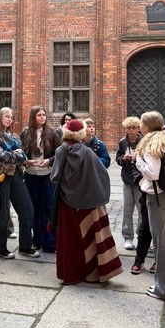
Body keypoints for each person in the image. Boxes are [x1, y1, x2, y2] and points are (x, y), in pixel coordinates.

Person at [50, 119, 123, 285]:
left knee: (70, 239)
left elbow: (55, 177)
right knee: (91, 237)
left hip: (67, 201)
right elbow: (101, 174)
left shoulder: (61, 150)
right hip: (89, 201)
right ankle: (92, 275)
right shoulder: (87, 151)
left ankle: (71, 274)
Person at [135, 111, 165, 302]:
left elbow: (153, 173)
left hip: (159, 198)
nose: (139, 126)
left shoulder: (151, 144)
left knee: (162, 245)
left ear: (146, 126)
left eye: (141, 123)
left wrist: (138, 161)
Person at [0, 107, 38, 260]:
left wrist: (18, 157)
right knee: (2, 213)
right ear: (0, 118)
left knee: (27, 209)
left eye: (11, 117)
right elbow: (0, 155)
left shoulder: (13, 137)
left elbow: (22, 156)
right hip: (0, 176)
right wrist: (16, 156)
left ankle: (25, 246)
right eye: (6, 116)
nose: (9, 119)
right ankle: (1, 249)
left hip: (14, 175)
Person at [20, 106, 61, 253]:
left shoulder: (53, 133)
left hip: (48, 175)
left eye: (44, 115)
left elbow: (60, 153)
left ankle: (50, 242)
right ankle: (36, 240)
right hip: (31, 175)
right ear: (33, 117)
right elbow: (20, 153)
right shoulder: (25, 133)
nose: (42, 117)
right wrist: (27, 161)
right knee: (34, 208)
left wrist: (49, 161)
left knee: (49, 208)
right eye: (39, 115)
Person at [115, 116, 142, 250]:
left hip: (140, 180)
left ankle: (141, 236)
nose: (131, 130)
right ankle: (128, 237)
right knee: (127, 210)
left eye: (134, 128)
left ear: (138, 129)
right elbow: (118, 159)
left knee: (142, 211)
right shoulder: (122, 142)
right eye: (129, 128)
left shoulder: (143, 141)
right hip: (127, 179)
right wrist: (123, 158)